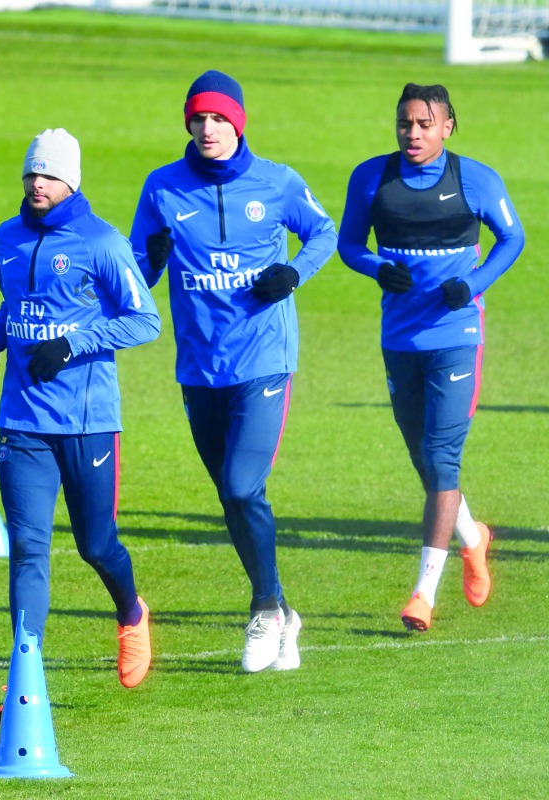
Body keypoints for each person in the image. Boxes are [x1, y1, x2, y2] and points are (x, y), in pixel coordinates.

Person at [129, 70, 337, 673]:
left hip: (263, 359)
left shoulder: (278, 182)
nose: (208, 129)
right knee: (231, 493)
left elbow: (323, 231)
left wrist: (294, 273)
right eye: (198, 119)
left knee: (244, 485)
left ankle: (266, 607)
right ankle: (285, 612)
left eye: (219, 119)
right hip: (199, 366)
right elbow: (137, 279)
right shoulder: (162, 188)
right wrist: (153, 263)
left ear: (238, 123)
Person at [0, 128, 159, 692]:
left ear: (70, 180)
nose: (36, 183)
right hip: (22, 422)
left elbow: (145, 319)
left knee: (95, 545)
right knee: (28, 550)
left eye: (49, 175)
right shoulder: (6, 236)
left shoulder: (103, 243)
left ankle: (130, 613)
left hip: (87, 423)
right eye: (31, 173)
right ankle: (24, 682)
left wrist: (72, 345)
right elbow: (17, 302)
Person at [338, 83, 524, 632]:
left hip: (456, 336)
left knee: (443, 459)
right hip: (400, 339)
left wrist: (473, 284)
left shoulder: (476, 180)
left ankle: (423, 594)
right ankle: (474, 537)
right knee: (425, 461)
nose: (413, 134)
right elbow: (350, 245)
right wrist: (377, 268)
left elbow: (512, 239)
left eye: (424, 123)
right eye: (405, 124)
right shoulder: (371, 177)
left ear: (447, 126)